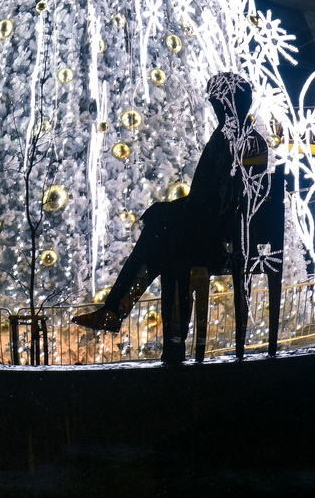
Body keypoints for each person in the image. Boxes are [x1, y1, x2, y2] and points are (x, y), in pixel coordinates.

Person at [72, 72, 268, 344]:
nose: (213, 108)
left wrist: (169, 213)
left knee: (161, 243)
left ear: (227, 103)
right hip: (218, 233)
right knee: (162, 245)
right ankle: (123, 314)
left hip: (220, 240)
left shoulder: (231, 140)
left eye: (216, 102)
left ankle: (120, 313)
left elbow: (218, 201)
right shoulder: (245, 138)